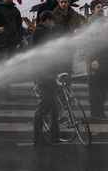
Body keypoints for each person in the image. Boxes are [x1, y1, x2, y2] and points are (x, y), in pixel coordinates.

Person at [31, 10, 60, 146]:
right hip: (44, 75)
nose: (53, 24)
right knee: (43, 108)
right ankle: (37, 138)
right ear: (47, 20)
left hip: (48, 73)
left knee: (54, 107)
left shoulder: (43, 31)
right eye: (52, 21)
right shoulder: (40, 31)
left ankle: (55, 135)